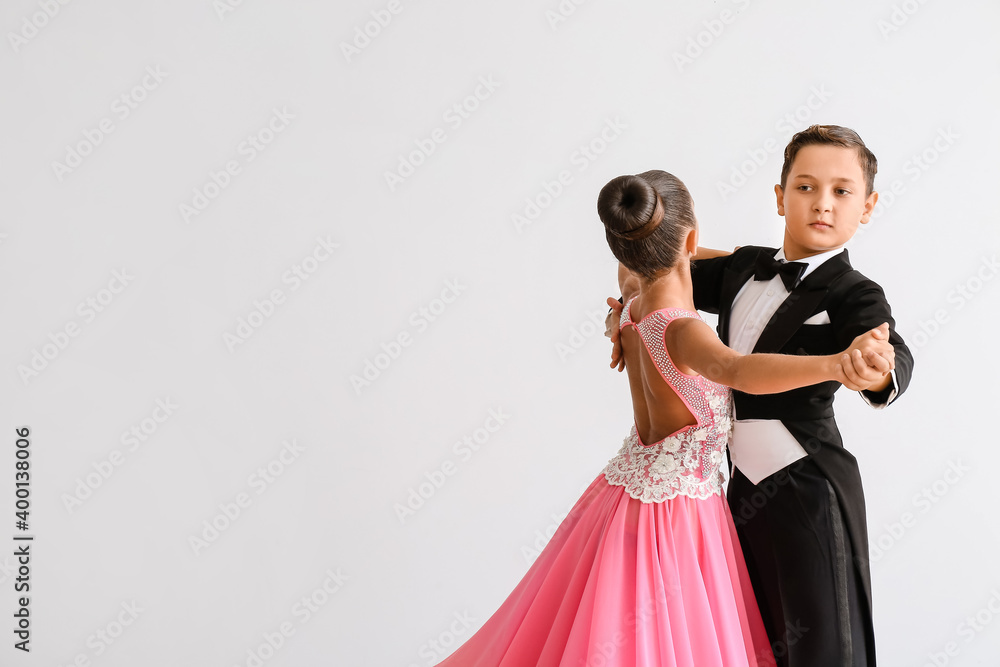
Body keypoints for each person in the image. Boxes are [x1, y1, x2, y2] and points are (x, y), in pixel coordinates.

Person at [434, 169, 895, 667]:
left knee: (619, 631)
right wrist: (832, 365)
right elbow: (739, 370)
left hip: (619, 498)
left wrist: (634, 302)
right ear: (691, 240)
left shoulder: (631, 299)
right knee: (671, 641)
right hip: (679, 514)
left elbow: (653, 261)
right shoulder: (681, 330)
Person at [608, 125, 913, 666]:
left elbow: (891, 354)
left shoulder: (855, 293)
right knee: (748, 637)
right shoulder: (745, 266)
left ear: (867, 207)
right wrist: (626, 310)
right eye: (805, 187)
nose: (822, 204)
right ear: (779, 196)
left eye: (842, 191)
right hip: (730, 493)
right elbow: (652, 259)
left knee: (823, 642)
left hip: (807, 489)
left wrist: (875, 370)